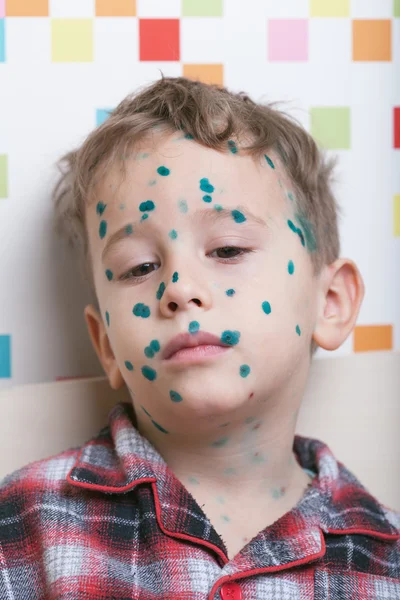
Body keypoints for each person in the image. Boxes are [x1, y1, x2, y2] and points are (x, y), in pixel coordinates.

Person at [1, 75, 399, 598]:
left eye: (228, 249)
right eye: (139, 266)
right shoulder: (23, 525)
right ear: (106, 346)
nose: (179, 289)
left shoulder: (385, 558)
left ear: (330, 304)